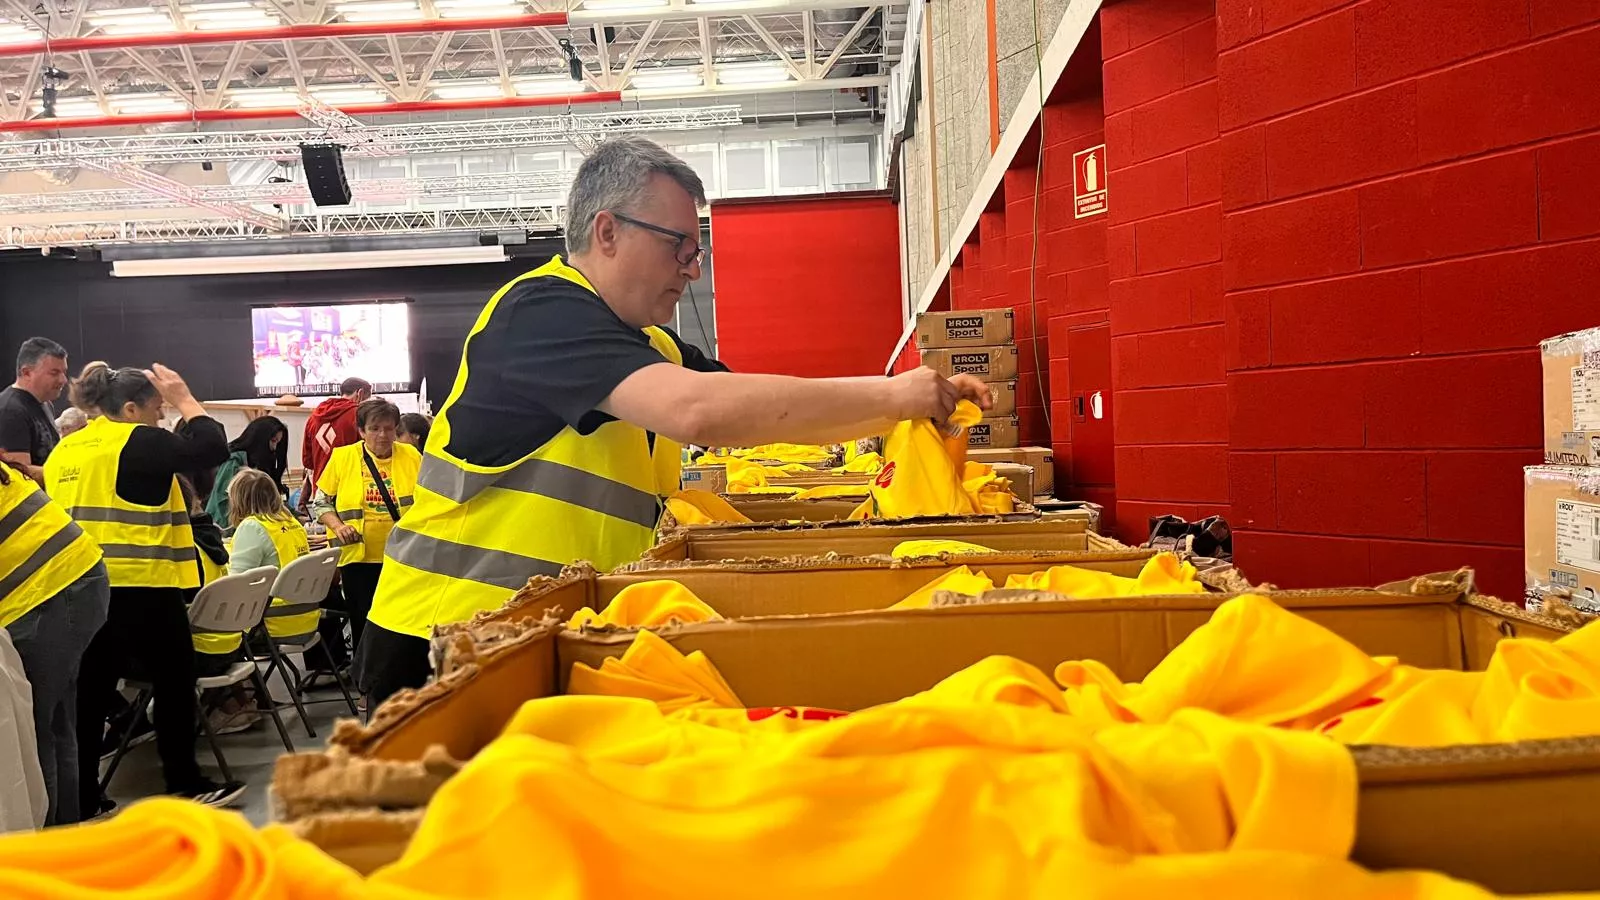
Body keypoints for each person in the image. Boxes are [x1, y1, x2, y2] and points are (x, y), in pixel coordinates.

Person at [359, 136, 990, 707]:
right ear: (607, 231)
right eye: (679, 247)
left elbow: (767, 414)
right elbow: (699, 412)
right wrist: (894, 395)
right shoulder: (539, 313)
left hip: (538, 633)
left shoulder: (652, 345)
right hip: (444, 640)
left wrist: (912, 402)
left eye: (697, 250)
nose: (692, 269)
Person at [47, 363, 246, 814]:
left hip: (79, 588)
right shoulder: (136, 439)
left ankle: (82, 796)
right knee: (175, 681)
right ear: (131, 409)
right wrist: (183, 397)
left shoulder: (67, 448)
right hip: (141, 584)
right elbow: (212, 446)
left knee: (90, 694)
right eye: (157, 410)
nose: (161, 417)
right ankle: (185, 782)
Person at [0, 459, 110, 825]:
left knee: (34, 731)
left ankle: (49, 839)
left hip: (47, 596)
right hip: (73, 584)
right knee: (57, 723)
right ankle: (65, 831)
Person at [311, 397, 419, 680]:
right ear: (361, 431)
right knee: (363, 621)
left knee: (402, 620)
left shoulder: (411, 456)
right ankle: (366, 683)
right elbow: (320, 502)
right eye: (374, 428)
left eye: (389, 428)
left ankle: (400, 678)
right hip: (359, 558)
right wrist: (338, 526)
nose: (382, 435)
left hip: (403, 556)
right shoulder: (343, 458)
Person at [0, 337, 70, 483]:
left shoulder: (45, 404)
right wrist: (72, 472)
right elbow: (18, 477)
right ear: (26, 372)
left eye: (64, 372)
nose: (63, 380)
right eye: (54, 373)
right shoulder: (10, 411)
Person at [300, 377, 371, 513]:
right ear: (360, 393)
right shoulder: (359, 416)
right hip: (350, 491)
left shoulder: (314, 417)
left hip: (321, 491)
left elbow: (307, 461)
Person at [205, 416, 288, 524]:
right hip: (225, 525)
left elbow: (272, 500)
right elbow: (222, 501)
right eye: (273, 441)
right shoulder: (233, 462)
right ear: (260, 439)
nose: (274, 447)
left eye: (277, 442)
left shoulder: (258, 464)